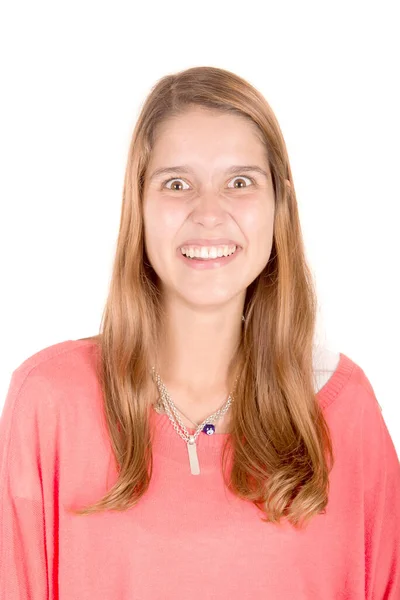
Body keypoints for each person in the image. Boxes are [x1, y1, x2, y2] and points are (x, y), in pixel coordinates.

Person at [1, 66, 399, 599]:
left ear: (280, 205)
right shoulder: (49, 402)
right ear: (137, 206)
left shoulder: (342, 410)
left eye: (240, 182)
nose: (209, 213)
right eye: (177, 184)